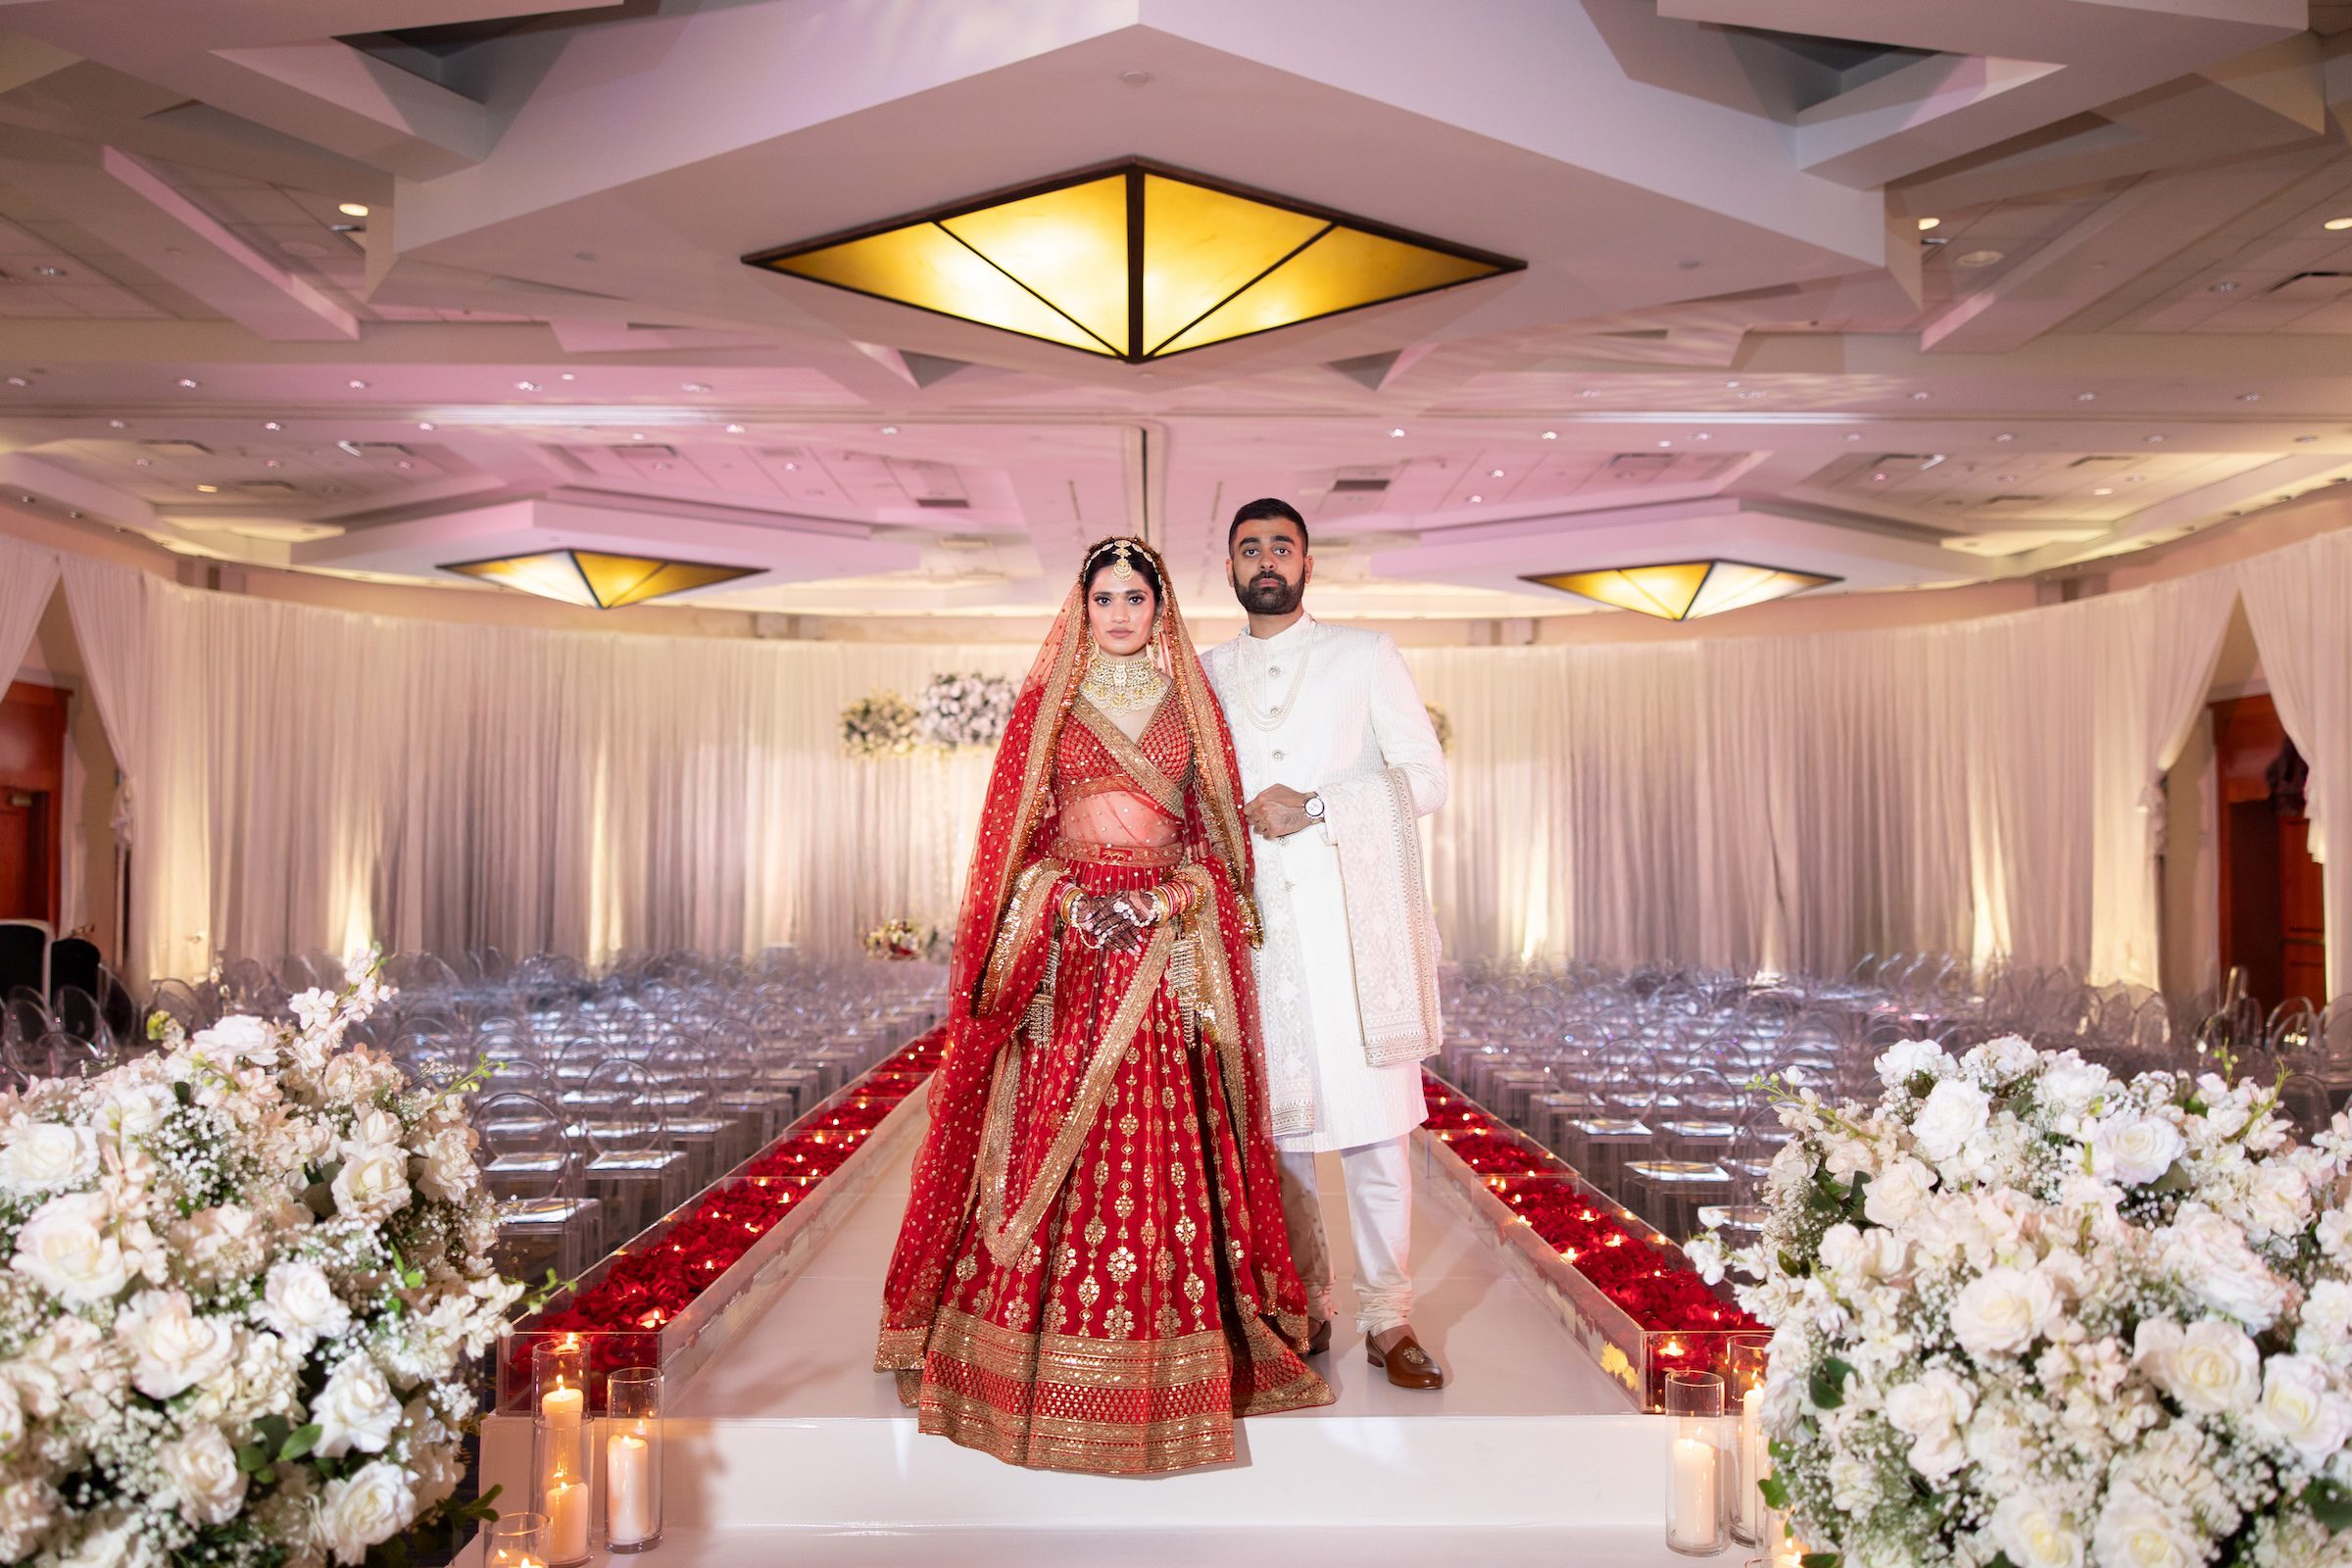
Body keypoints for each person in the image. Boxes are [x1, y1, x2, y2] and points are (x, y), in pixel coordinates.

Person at [876, 535, 1332, 1475]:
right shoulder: (1046, 706)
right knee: (1051, 1137)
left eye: (1137, 597)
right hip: (1071, 958)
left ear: (1161, 609)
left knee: (1162, 1141)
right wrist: (1071, 902)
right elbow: (1015, 846)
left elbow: (1221, 854)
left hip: (1161, 956)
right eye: (1106, 598)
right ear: (1081, 608)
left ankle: (1169, 1363)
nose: (1121, 613)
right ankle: (1018, 1358)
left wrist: (1163, 900)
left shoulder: (1194, 705)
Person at [1200, 498, 1450, 1390]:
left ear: (1308, 560)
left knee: (1378, 1132)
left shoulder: (1364, 655)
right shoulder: (1203, 674)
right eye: (1248, 548)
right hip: (1252, 935)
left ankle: (1391, 1318)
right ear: (1228, 567)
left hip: (1353, 933)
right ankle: (1297, 1307)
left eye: (1282, 545)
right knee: (1279, 1135)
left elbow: (1426, 778)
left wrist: (1311, 806)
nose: (1266, 559)